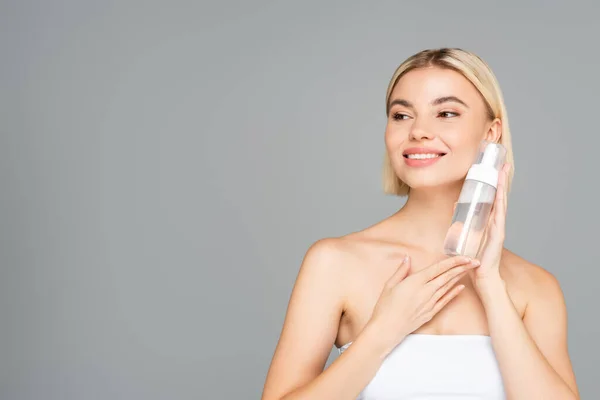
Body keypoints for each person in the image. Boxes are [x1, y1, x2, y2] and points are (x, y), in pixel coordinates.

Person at [261, 48, 579, 399]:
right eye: (401, 115)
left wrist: (491, 286)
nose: (419, 131)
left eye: (445, 113)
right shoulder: (334, 263)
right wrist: (383, 332)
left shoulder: (535, 288)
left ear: (491, 133)